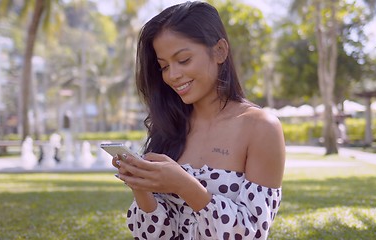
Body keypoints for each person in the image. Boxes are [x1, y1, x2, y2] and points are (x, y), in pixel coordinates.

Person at [112, 1, 285, 239]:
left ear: (220, 51)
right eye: (163, 66)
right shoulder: (170, 126)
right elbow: (152, 236)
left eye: (183, 60)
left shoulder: (261, 127)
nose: (172, 75)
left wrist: (184, 185)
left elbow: (251, 233)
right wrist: (140, 187)